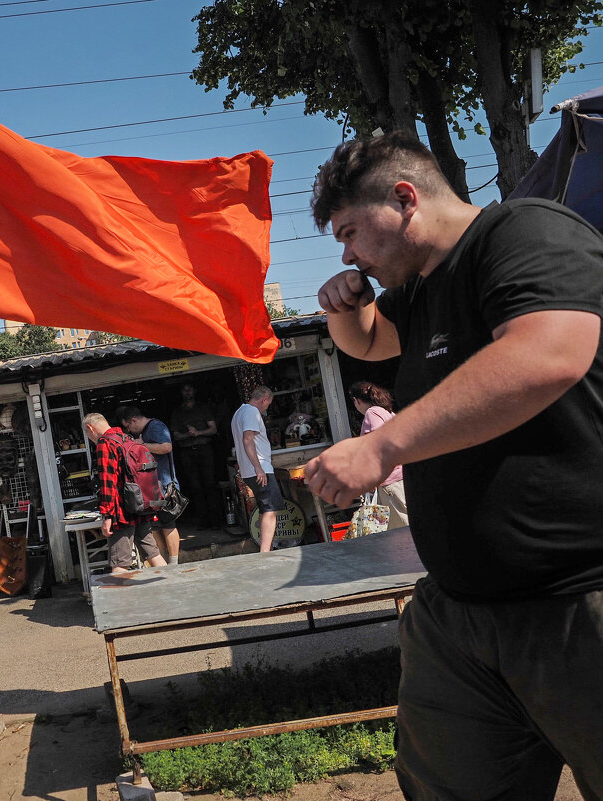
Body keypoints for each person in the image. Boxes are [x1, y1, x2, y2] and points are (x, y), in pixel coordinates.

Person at [304, 131, 603, 799]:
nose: (349, 252)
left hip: (579, 603)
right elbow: (373, 341)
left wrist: (380, 446)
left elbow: (548, 354)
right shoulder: (421, 288)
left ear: (405, 198)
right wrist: (344, 307)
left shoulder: (525, 233)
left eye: (351, 231)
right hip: (459, 616)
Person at [82, 413, 167, 574]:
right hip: (140, 504)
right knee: (153, 553)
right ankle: (172, 583)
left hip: (122, 512)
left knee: (119, 562)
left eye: (88, 435)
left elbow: (108, 483)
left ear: (90, 428)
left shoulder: (105, 443)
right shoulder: (126, 438)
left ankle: (119, 596)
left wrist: (107, 516)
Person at [116, 405, 182, 564]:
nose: (130, 431)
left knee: (168, 524)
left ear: (133, 420)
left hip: (165, 486)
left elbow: (167, 447)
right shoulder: (147, 430)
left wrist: (141, 445)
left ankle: (173, 563)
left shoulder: (156, 426)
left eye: (129, 427)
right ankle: (164, 562)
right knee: (156, 527)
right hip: (153, 487)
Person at [347, 380, 409, 529]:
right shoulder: (387, 411)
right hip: (400, 477)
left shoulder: (372, 412)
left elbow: (378, 444)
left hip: (390, 483)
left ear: (356, 400)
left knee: (402, 531)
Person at [231, 386, 283, 552]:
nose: (267, 407)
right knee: (270, 509)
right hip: (259, 468)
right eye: (268, 404)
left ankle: (266, 547)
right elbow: (248, 439)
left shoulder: (239, 412)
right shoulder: (251, 412)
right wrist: (258, 467)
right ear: (264, 400)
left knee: (264, 507)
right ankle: (266, 551)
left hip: (250, 470)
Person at [169, 383, 224, 529]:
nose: (187, 392)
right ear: (181, 393)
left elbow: (213, 429)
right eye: (184, 390)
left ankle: (216, 520)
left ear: (194, 390)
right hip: (187, 452)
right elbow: (175, 435)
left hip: (205, 449)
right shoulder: (177, 412)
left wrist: (198, 433)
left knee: (210, 484)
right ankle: (203, 520)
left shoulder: (203, 408)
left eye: (189, 389)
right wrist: (188, 434)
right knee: (195, 487)